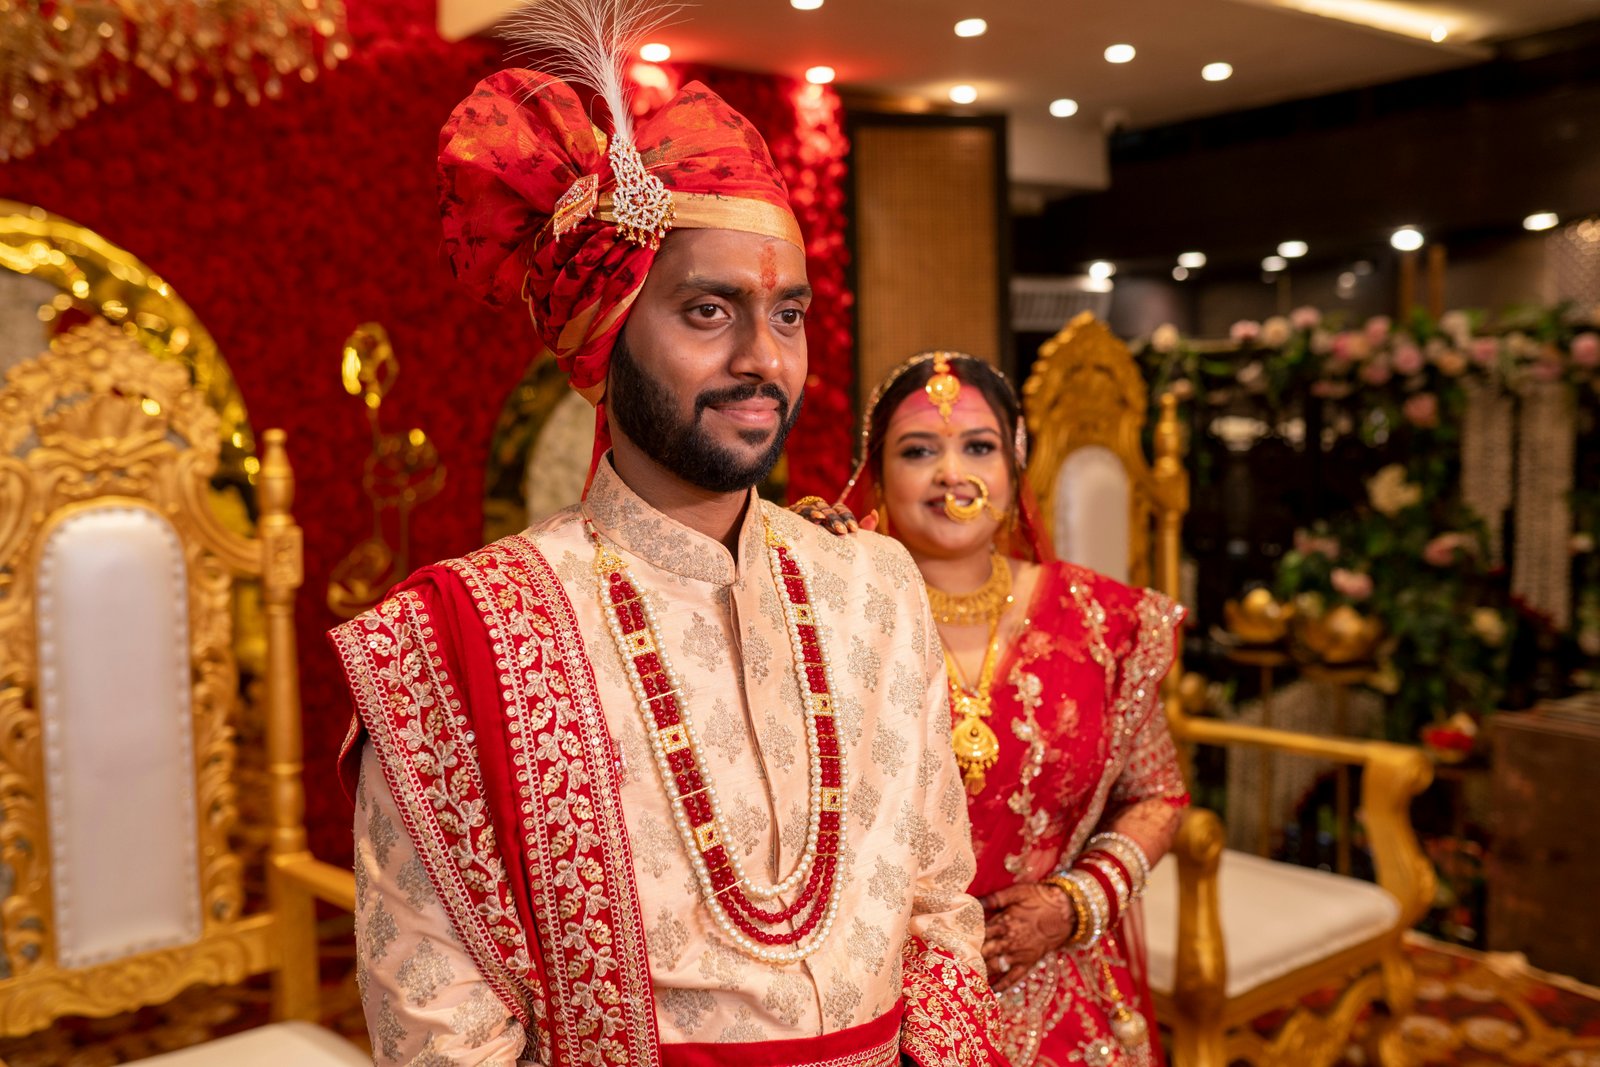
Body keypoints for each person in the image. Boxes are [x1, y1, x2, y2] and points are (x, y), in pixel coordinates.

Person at [329, 4, 1002, 1065]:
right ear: (607, 332)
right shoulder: (455, 646)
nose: (763, 359)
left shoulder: (875, 585)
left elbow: (940, 909)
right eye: (708, 311)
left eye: (788, 314)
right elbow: (439, 1030)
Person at [814, 352, 1189, 1067]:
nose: (952, 473)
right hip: (880, 999)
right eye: (918, 451)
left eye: (979, 447)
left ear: (1016, 468)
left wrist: (1073, 905)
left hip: (1057, 988)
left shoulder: (1102, 623)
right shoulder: (832, 616)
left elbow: (1157, 793)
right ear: (876, 474)